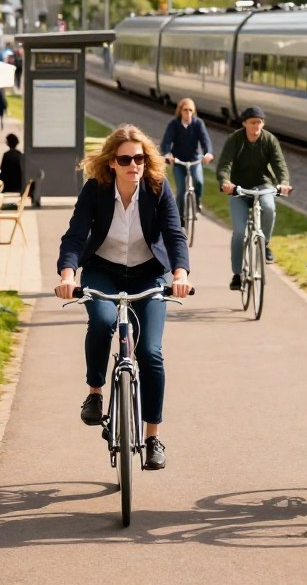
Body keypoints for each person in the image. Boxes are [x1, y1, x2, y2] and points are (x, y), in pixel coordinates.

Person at [53, 124, 191, 472]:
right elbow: (75, 235)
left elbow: (175, 234)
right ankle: (95, 392)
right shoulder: (96, 190)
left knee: (151, 353)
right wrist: (67, 275)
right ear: (112, 162)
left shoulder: (157, 189)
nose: (134, 165)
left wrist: (180, 274)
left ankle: (152, 438)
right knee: (101, 322)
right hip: (103, 270)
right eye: (126, 159)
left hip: (148, 273)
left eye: (140, 158)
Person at [216, 106, 291, 289]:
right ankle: (237, 274)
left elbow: (279, 164)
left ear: (263, 123)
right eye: (252, 122)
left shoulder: (269, 140)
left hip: (262, 185)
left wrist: (283, 182)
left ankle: (264, 244)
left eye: (259, 122)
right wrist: (226, 182)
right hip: (238, 189)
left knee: (270, 208)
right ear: (244, 124)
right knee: (240, 233)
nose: (256, 126)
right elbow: (224, 164)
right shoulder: (235, 139)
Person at [160, 97, 214, 217]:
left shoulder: (198, 124)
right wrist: (168, 154)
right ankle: (180, 218)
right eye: (185, 110)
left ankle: (197, 202)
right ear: (180, 111)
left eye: (191, 110)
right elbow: (166, 142)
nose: (188, 113)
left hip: (194, 159)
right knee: (180, 191)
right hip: (179, 161)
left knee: (198, 181)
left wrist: (208, 153)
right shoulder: (174, 124)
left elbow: (206, 141)